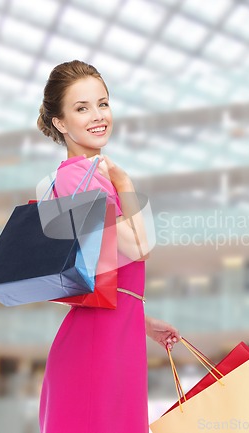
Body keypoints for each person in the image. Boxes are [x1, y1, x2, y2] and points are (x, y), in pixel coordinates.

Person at [36, 59, 181, 433]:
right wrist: (126, 184)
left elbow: (97, 275)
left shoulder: (75, 180)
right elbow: (140, 247)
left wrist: (141, 322)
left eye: (103, 103)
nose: (98, 115)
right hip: (98, 349)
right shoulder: (82, 179)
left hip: (111, 336)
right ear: (60, 122)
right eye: (81, 108)